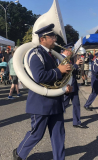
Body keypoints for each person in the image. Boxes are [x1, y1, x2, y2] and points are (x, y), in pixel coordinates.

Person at [12, 24, 72, 160]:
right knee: (37, 134)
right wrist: (59, 70)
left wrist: (65, 88)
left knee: (58, 135)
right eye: (52, 36)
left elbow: (56, 77)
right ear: (42, 39)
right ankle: (19, 153)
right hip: (41, 103)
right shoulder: (35, 54)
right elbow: (40, 76)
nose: (55, 39)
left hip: (55, 102)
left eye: (55, 36)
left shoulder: (51, 55)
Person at [59, 43, 88, 129]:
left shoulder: (69, 59)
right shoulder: (61, 58)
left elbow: (73, 71)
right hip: (67, 85)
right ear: (67, 50)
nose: (72, 51)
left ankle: (77, 122)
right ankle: (55, 118)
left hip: (73, 84)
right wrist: (75, 64)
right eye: (71, 49)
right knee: (64, 103)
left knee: (76, 104)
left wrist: (77, 67)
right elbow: (66, 70)